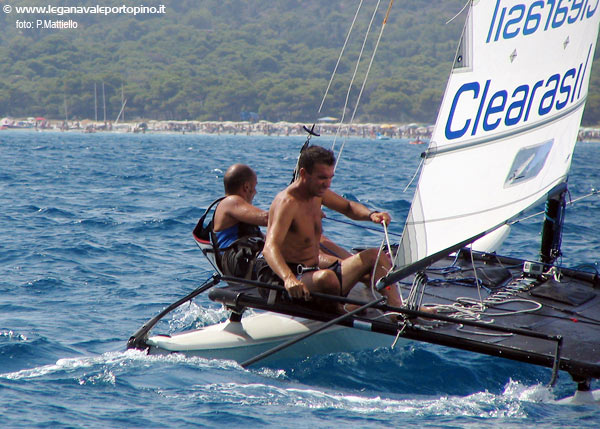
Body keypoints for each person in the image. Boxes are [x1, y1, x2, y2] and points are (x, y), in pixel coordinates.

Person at [262, 145, 404, 308]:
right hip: (291, 278)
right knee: (327, 278)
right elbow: (269, 248)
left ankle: (397, 311)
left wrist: (371, 215)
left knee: (375, 255)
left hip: (314, 272)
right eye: (322, 177)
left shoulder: (318, 194)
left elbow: (348, 207)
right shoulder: (287, 203)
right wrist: (288, 278)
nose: (327, 184)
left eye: (330, 177)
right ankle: (341, 309)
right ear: (303, 173)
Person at [211, 164, 268, 278]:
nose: (255, 192)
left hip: (244, 259)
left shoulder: (237, 210)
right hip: (238, 262)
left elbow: (266, 238)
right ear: (246, 187)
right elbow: (266, 218)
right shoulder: (231, 201)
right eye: (254, 186)